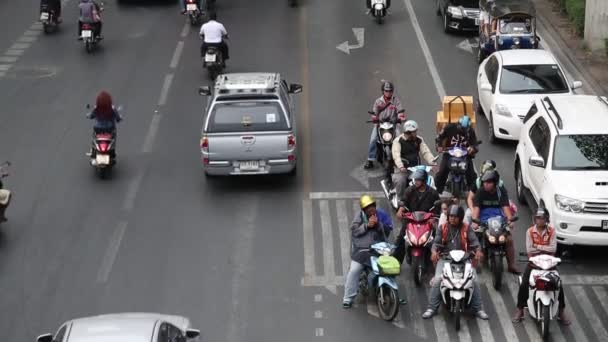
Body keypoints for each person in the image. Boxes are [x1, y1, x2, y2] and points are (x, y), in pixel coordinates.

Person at [422, 205, 489, 320]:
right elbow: (436, 243)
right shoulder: (442, 228)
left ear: (461, 217)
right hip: (445, 258)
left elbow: (474, 241)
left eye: (455, 216)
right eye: (451, 216)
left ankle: (478, 309)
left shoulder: (467, 228)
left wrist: (478, 251)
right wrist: (434, 252)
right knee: (438, 278)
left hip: (464, 259)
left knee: (474, 279)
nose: (452, 218)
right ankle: (432, 308)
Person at [512, 208, 570, 325]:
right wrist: (544, 248)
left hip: (550, 264)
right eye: (537, 218)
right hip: (534, 263)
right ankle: (520, 310)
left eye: (542, 218)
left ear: (546, 219)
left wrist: (537, 247)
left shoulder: (552, 231)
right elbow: (529, 250)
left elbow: (553, 249)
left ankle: (561, 312)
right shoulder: (529, 232)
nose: (539, 220)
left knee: (559, 284)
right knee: (524, 283)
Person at [342, 195, 393, 308]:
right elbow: (354, 231)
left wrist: (378, 225)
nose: (371, 209)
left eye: (372, 206)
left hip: (379, 249)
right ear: (363, 210)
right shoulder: (359, 217)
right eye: (367, 207)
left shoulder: (382, 214)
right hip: (362, 250)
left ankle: (393, 292)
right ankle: (348, 298)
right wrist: (366, 226)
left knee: (388, 268)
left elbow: (388, 231)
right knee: (354, 270)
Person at [471, 170, 520, 274]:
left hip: (499, 219)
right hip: (484, 219)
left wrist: (510, 220)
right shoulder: (480, 192)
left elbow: (505, 207)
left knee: (509, 239)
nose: (486, 184)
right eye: (484, 182)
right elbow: (476, 209)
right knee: (475, 238)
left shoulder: (501, 191)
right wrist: (475, 221)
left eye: (489, 182)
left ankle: (511, 265)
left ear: (495, 183)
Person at [393, 168, 440, 264]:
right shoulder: (410, 190)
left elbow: (437, 206)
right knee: (401, 237)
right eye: (416, 180)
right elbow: (403, 201)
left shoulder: (432, 193)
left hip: (427, 220)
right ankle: (396, 261)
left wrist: (433, 218)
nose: (416, 182)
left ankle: (436, 261)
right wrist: (401, 209)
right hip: (411, 219)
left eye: (418, 180)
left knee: (436, 239)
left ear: (423, 181)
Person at [390, 120, 436, 200]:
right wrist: (401, 166)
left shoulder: (419, 140)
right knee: (401, 181)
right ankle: (400, 200)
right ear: (409, 132)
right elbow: (396, 156)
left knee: (427, 180)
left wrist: (432, 162)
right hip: (402, 170)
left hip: (416, 168)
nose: (416, 133)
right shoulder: (398, 141)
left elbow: (426, 152)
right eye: (414, 131)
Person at [364, 81, 405, 170]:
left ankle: (402, 158)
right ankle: (370, 160)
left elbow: (400, 112)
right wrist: (375, 118)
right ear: (383, 91)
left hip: (393, 125)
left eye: (390, 91)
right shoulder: (378, 101)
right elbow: (374, 113)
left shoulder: (396, 101)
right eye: (386, 91)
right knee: (373, 139)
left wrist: (399, 118)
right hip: (380, 124)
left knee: (400, 139)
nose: (388, 93)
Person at [434, 115, 479, 195]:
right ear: (458, 125)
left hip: (465, 154)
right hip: (449, 153)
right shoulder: (449, 127)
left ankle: (473, 192)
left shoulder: (470, 131)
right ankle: (438, 191)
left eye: (465, 129)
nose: (463, 131)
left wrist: (473, 148)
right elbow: (439, 137)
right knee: (441, 172)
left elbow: (475, 143)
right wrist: (439, 146)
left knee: (471, 174)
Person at [86, 91, 122, 157]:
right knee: (113, 137)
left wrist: (88, 115)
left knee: (94, 137)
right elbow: (117, 118)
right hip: (109, 128)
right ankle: (112, 151)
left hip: (98, 128)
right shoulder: (112, 108)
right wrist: (120, 118)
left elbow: (91, 116)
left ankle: (93, 150)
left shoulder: (96, 108)